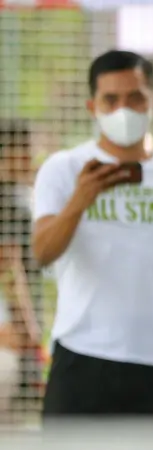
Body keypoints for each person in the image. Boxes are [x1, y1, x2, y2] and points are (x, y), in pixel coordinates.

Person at [32, 50, 153, 442]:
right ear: (93, 106)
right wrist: (79, 201)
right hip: (81, 357)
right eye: (111, 99)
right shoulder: (64, 168)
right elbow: (41, 253)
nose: (124, 109)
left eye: (135, 97)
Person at [0, 119, 41, 424]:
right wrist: (27, 325)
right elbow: (8, 265)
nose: (30, 158)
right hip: (9, 328)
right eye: (24, 150)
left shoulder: (17, 196)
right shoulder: (8, 202)